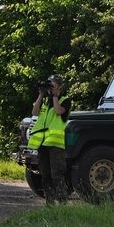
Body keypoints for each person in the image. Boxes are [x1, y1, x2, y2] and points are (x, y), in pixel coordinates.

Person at [28, 74, 71, 205]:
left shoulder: (65, 100)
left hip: (56, 145)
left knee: (57, 174)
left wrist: (55, 96)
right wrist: (41, 94)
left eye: (53, 84)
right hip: (43, 144)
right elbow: (34, 112)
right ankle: (50, 202)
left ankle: (63, 202)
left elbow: (58, 111)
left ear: (59, 86)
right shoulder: (46, 102)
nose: (51, 86)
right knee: (45, 174)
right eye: (50, 84)